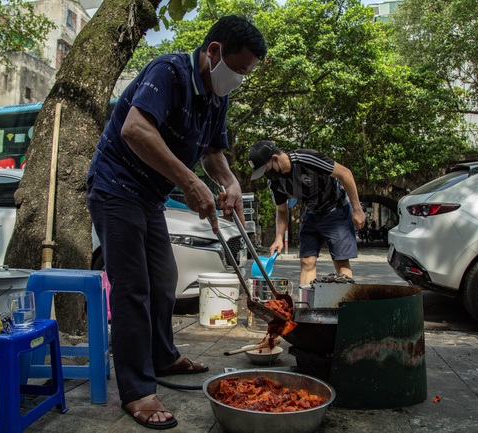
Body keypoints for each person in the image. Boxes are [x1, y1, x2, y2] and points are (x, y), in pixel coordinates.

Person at [86, 16, 266, 430]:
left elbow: (212, 153)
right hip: (116, 186)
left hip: (148, 198)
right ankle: (136, 391)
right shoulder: (168, 72)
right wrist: (188, 182)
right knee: (133, 287)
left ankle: (163, 357)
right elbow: (135, 129)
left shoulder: (217, 97)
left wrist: (230, 181)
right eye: (238, 69)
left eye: (246, 74)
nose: (239, 79)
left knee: (164, 278)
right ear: (214, 51)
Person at [248, 140, 365, 284]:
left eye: (265, 170)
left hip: (336, 210)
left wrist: (357, 209)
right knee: (306, 261)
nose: (266, 175)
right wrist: (278, 238)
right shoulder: (275, 182)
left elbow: (345, 174)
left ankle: (344, 302)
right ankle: (307, 304)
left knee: (340, 262)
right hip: (312, 213)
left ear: (274, 158)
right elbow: (282, 210)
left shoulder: (307, 159)